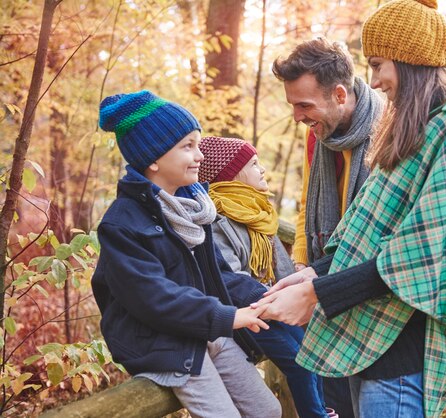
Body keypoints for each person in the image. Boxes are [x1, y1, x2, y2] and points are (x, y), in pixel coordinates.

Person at [255, 1, 446, 417]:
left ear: (411, 60)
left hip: (402, 354)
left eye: (378, 65)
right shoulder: (412, 127)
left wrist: (317, 292)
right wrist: (310, 274)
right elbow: (366, 235)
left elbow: (422, 252)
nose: (373, 81)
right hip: (365, 338)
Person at [92, 90, 281, 418]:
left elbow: (218, 276)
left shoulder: (194, 209)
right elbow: (152, 297)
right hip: (161, 341)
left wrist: (269, 297)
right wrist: (226, 317)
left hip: (201, 328)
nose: (200, 156)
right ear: (153, 158)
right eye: (187, 146)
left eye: (198, 144)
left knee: (268, 410)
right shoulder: (122, 224)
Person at [272, 37, 384, 418]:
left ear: (339, 94)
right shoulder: (317, 136)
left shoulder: (389, 129)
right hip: (327, 283)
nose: (298, 116)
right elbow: (308, 208)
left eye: (304, 105)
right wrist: (303, 266)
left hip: (371, 291)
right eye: (293, 106)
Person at [198, 136, 330, 418]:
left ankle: (322, 409)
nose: (263, 170)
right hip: (248, 313)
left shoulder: (258, 212)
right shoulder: (217, 219)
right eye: (254, 164)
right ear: (232, 176)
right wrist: (273, 299)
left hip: (273, 304)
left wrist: (295, 284)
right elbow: (230, 278)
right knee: (298, 362)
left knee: (313, 350)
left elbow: (278, 264)